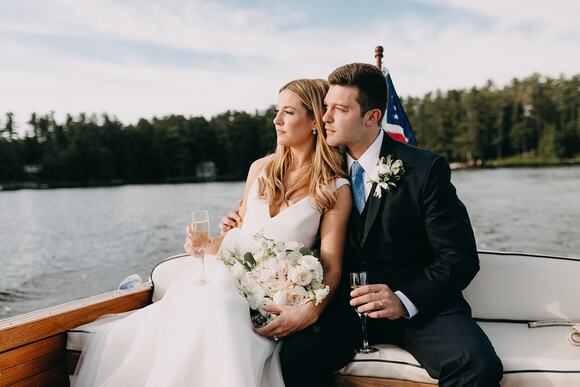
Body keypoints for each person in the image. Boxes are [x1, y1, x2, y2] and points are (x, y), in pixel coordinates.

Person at [223, 64, 504, 387]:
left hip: (421, 311)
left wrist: (404, 299)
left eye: (339, 109)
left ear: (371, 117)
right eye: (325, 107)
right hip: (342, 311)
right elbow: (280, 220)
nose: (325, 117)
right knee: (297, 355)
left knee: (476, 365)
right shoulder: (322, 168)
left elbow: (459, 257)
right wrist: (237, 221)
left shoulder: (424, 169)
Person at [71, 78, 355, 387]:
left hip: (271, 299)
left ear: (314, 120)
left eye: (287, 112)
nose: (276, 120)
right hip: (227, 281)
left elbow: (331, 265)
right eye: (276, 111)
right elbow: (236, 238)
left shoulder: (335, 188)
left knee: (221, 307)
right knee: (216, 303)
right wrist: (203, 245)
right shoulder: (260, 170)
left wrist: (307, 313)